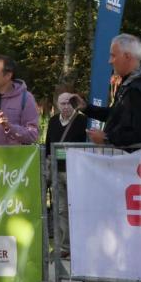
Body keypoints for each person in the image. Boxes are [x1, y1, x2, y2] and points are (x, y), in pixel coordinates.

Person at [79, 33, 141, 148]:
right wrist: (86, 108)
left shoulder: (139, 89)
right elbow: (115, 114)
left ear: (127, 56)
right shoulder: (137, 81)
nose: (110, 61)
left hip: (139, 161)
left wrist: (107, 138)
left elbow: (140, 134)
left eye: (113, 56)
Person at [45, 92, 88, 258]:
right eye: (62, 103)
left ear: (74, 104)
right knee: (61, 209)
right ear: (57, 104)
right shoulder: (53, 121)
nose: (66, 106)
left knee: (77, 207)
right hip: (57, 169)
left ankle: (80, 244)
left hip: (75, 170)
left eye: (69, 103)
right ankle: (65, 246)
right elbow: (48, 144)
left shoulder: (82, 120)